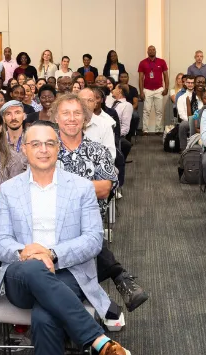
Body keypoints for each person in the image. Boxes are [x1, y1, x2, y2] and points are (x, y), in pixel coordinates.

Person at [0, 121, 136, 355]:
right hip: (22, 274)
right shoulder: (8, 190)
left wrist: (52, 253)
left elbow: (92, 241)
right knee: (34, 275)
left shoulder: (80, 188)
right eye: (35, 144)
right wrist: (29, 253)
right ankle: (103, 344)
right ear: (23, 149)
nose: (42, 150)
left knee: (46, 320)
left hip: (67, 271)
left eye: (49, 144)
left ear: (59, 148)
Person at [52, 94, 148, 312]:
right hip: (50, 220)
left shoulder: (98, 151)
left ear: (85, 118)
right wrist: (85, 187)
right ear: (56, 118)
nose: (71, 118)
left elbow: (104, 189)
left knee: (80, 225)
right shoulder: (46, 150)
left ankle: (101, 299)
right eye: (65, 113)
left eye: (77, 113)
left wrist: (62, 188)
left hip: (90, 218)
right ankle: (117, 278)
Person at [138, 45, 168, 134]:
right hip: (147, 90)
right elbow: (140, 78)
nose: (151, 51)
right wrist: (141, 92)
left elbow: (166, 76)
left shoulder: (162, 62)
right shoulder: (142, 63)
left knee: (159, 111)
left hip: (159, 90)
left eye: (153, 49)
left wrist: (166, 88)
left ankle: (158, 130)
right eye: (150, 50)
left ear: (155, 51)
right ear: (147, 52)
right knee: (146, 111)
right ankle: (145, 130)